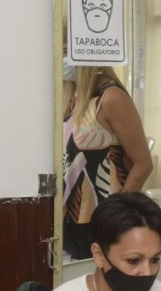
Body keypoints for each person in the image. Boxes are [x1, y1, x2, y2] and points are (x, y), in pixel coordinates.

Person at [62, 62, 153, 260]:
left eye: (67, 50)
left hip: (103, 215)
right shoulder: (73, 97)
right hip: (71, 215)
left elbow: (143, 163)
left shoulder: (111, 97)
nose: (63, 58)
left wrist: (116, 213)